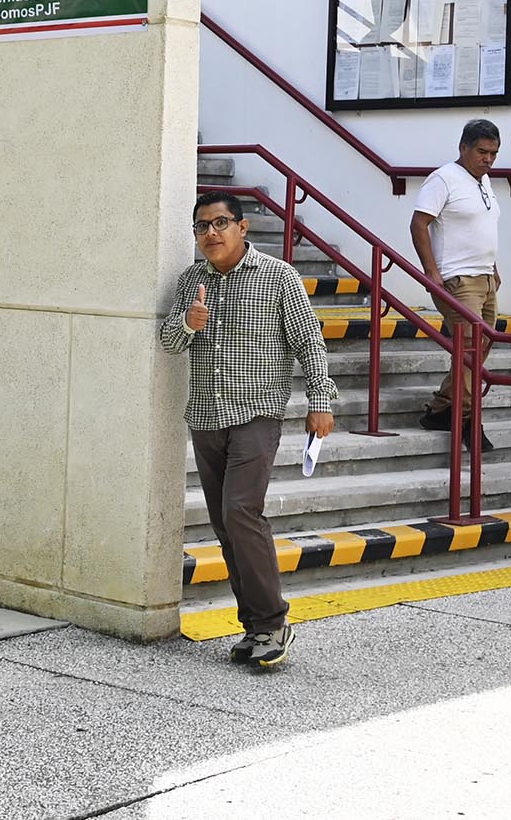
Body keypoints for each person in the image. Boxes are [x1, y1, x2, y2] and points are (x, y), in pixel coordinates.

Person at [160, 192, 335, 669]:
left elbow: (309, 344)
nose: (210, 234)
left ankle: (273, 621)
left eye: (220, 223)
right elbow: (169, 343)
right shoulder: (190, 281)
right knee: (224, 523)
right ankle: (255, 627)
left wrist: (320, 400)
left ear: (242, 228)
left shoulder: (278, 277)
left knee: (241, 512)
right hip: (205, 417)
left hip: (256, 414)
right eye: (201, 228)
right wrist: (188, 323)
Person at [409, 120, 503, 452]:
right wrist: (431, 271)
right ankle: (466, 422)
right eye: (482, 152)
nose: (488, 159)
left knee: (476, 353)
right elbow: (420, 223)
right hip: (457, 281)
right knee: (472, 350)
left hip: (485, 279)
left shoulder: (484, 181)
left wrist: (493, 267)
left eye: (493, 153)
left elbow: (480, 226)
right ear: (463, 147)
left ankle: (441, 409)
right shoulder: (443, 178)